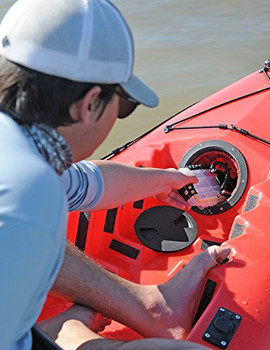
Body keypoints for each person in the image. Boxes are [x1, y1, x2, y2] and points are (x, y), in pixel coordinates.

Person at [0, 0, 233, 349]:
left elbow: (86, 183)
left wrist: (165, 179)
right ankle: (65, 334)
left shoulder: (21, 153)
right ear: (90, 103)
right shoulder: (28, 199)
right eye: (123, 105)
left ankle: (113, 315)